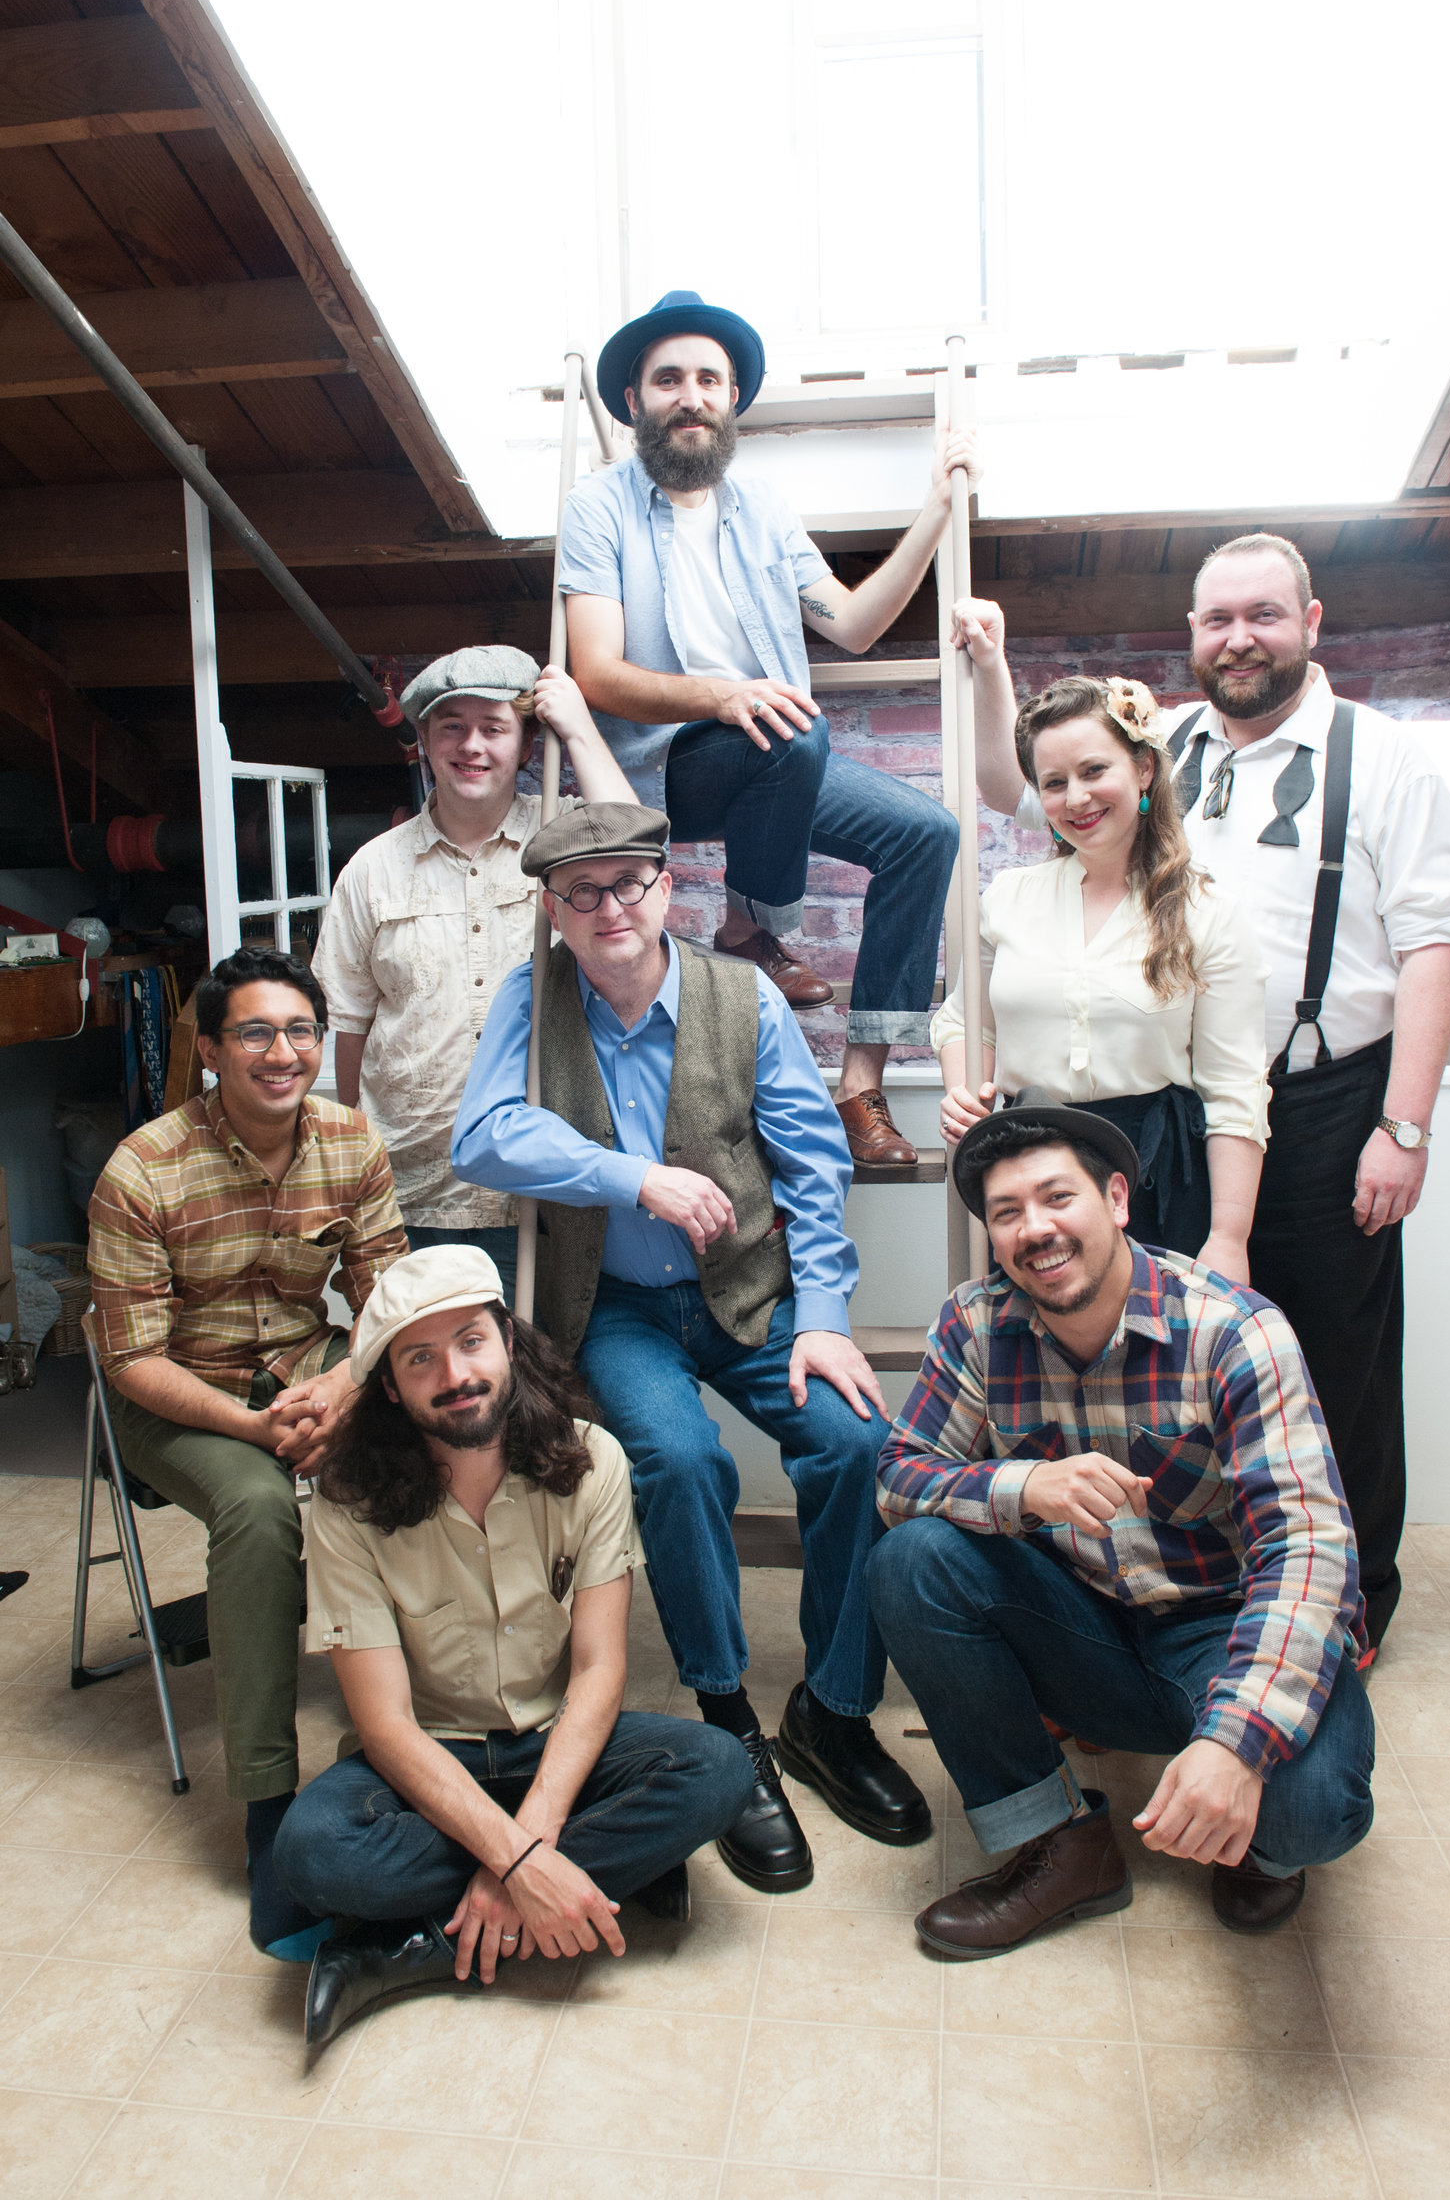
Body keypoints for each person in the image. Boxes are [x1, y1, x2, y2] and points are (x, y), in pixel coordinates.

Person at [964, 544, 1450, 1648]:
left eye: (1263, 615)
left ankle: (1347, 1605)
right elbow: (1024, 788)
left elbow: (1438, 938)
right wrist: (995, 662)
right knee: (1171, 1374)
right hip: (1182, 1113)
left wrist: (1405, 1122)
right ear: (1192, 635)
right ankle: (1196, 1593)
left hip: (1328, 1096)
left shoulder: (1385, 759)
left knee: (1327, 1357)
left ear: (1312, 622)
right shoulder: (1165, 747)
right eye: (1215, 620)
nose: (1238, 637)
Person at [450, 801, 930, 1892]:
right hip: (614, 1303)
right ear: (554, 911)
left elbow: (814, 1167)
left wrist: (823, 1317)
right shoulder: (535, 994)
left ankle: (835, 1711)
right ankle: (729, 1721)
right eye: (583, 892)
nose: (610, 908)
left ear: (667, 891)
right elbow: (481, 1133)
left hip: (753, 1296)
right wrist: (632, 1176)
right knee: (676, 1462)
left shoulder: (739, 993)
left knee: (856, 1443)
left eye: (630, 884)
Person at [866, 1088, 1375, 1959]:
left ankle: (1250, 1833)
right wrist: (1025, 1486)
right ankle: (1061, 1845)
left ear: (1116, 1200)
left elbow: (1309, 1549)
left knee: (1311, 1818)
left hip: (1222, 1627)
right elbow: (899, 1478)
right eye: (1007, 1213)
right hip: (1082, 1623)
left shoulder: (1233, 1332)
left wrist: (1236, 1744)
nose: (1035, 1229)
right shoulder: (975, 1324)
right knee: (912, 1560)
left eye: (1057, 1197)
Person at [274, 1246, 753, 2045]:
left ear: (509, 1344)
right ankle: (597, 1871)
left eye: (471, 1341)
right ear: (389, 1387)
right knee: (314, 1852)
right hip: (430, 1756)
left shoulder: (593, 1459)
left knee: (718, 1770)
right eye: (419, 1359)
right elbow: (386, 1728)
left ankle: (414, 1948)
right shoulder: (345, 1505)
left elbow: (601, 1673)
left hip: (555, 1742)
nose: (454, 1373)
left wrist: (516, 1857)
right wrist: (522, 1857)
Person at [558, 288, 975, 1167]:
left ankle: (861, 1088)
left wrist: (935, 511)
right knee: (791, 724)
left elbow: (854, 625)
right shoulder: (600, 506)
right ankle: (751, 935)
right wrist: (721, 695)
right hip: (660, 765)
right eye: (668, 379)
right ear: (635, 403)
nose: (690, 395)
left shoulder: (766, 513)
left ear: (732, 401)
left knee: (926, 835)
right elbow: (595, 672)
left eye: (709, 378)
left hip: (773, 757)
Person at [86, 945, 407, 1959]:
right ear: (213, 1050)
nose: (284, 1052)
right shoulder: (143, 1169)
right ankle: (270, 1806)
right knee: (262, 1510)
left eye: (301, 1030)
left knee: (420, 1457)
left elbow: (388, 1299)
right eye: (256, 1033)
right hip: (178, 1397)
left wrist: (345, 1386)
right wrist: (259, 1429)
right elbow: (132, 1359)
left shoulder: (353, 1141)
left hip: (308, 1367)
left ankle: (406, 1744)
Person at [314, 646, 635, 1306]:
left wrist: (577, 727)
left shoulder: (567, 845)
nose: (471, 746)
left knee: (539, 1384)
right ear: (426, 741)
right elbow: (349, 1027)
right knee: (425, 1390)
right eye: (451, 726)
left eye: (494, 727)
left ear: (525, 747)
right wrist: (353, 1165)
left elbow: (635, 852)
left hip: (547, 1186)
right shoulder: (372, 872)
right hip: (410, 1192)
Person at [935, 653, 1269, 1281]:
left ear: (1143, 768)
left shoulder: (1208, 911)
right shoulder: (1008, 897)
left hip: (1157, 1176)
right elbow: (964, 1022)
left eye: (1094, 771)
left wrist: (1229, 1236)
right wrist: (963, 1092)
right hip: (1026, 1174)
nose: (1076, 798)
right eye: (1054, 782)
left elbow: (1235, 1090)